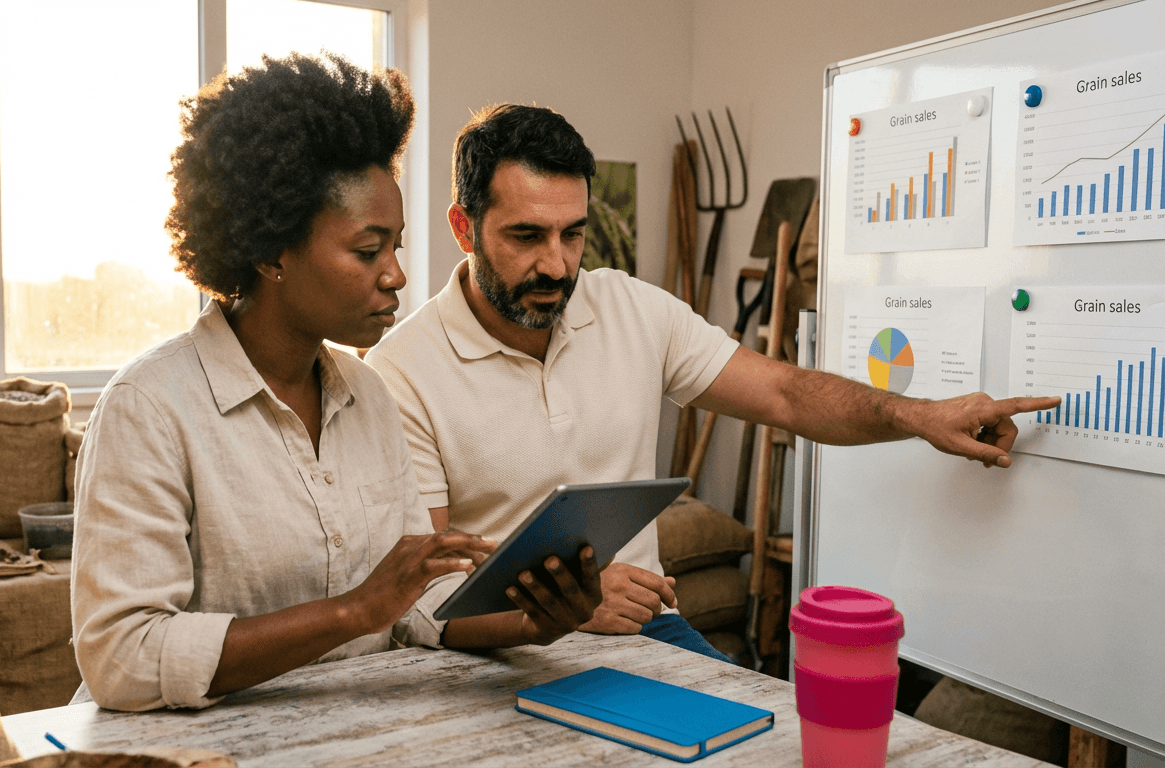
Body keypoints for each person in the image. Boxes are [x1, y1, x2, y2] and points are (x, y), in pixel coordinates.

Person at [364, 103, 1060, 662]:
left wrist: (915, 416)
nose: (557, 265)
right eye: (526, 237)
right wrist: (563, 607)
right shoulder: (403, 370)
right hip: (497, 657)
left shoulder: (632, 309)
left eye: (572, 235)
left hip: (646, 634)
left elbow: (785, 393)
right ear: (464, 227)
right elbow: (424, 596)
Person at [70, 60, 602, 713]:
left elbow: (414, 606)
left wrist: (534, 621)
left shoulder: (369, 396)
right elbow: (122, 660)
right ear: (271, 254)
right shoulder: (150, 407)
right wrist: (352, 611)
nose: (398, 276)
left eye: (397, 246)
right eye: (368, 249)